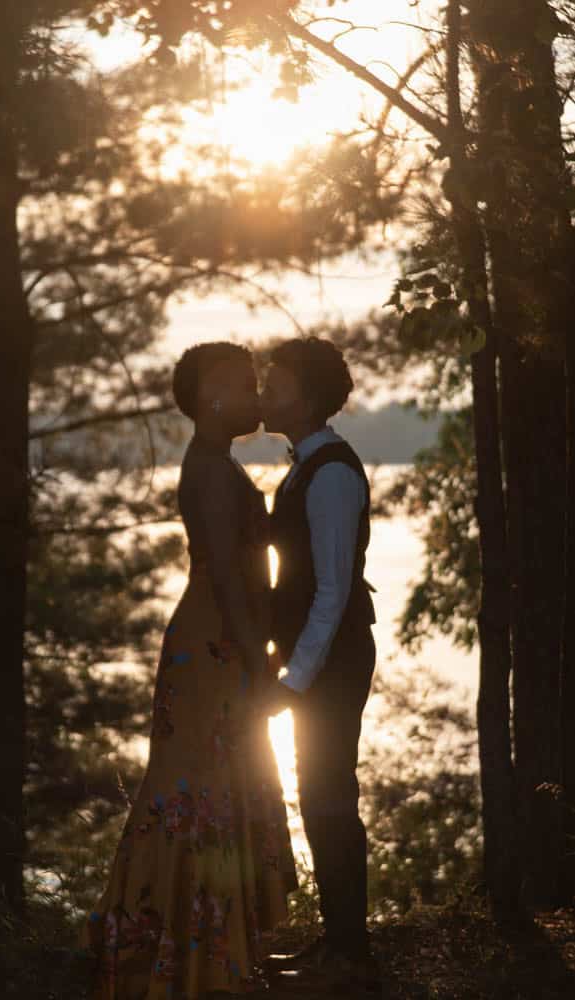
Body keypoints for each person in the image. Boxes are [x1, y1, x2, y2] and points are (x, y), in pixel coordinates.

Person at [81, 342, 298, 999]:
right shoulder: (208, 468)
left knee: (218, 779)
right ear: (211, 397)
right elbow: (228, 575)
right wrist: (256, 652)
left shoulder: (218, 463)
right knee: (199, 786)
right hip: (212, 641)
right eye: (242, 382)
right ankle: (189, 953)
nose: (255, 393)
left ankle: (216, 948)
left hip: (215, 637)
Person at [259, 336, 380, 992]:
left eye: (272, 382)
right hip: (320, 654)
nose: (263, 391)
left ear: (303, 396)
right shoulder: (310, 463)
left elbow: (332, 588)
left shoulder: (330, 471)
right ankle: (337, 939)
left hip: (332, 659)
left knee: (330, 792)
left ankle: (351, 951)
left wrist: (294, 678)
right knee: (318, 791)